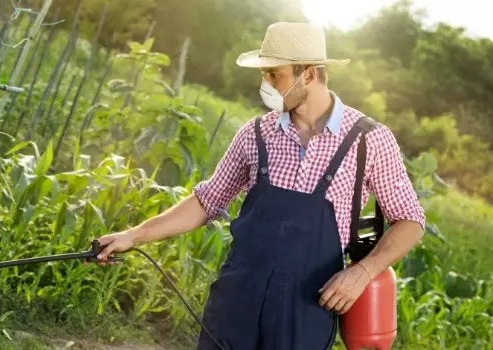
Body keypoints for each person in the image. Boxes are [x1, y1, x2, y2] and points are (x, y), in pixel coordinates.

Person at [94, 22, 426, 349]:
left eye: (274, 74)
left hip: (305, 311)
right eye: (263, 74)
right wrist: (133, 235)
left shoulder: (368, 140)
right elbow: (206, 201)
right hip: (235, 303)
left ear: (308, 74)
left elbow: (410, 221)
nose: (265, 84)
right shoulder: (255, 134)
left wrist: (363, 273)